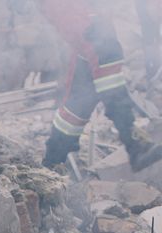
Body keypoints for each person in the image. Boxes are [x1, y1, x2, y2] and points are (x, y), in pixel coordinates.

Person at [36, 0, 162, 171]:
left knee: (83, 91)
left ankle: (52, 161)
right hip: (73, 9)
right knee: (105, 54)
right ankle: (134, 145)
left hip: (79, 10)